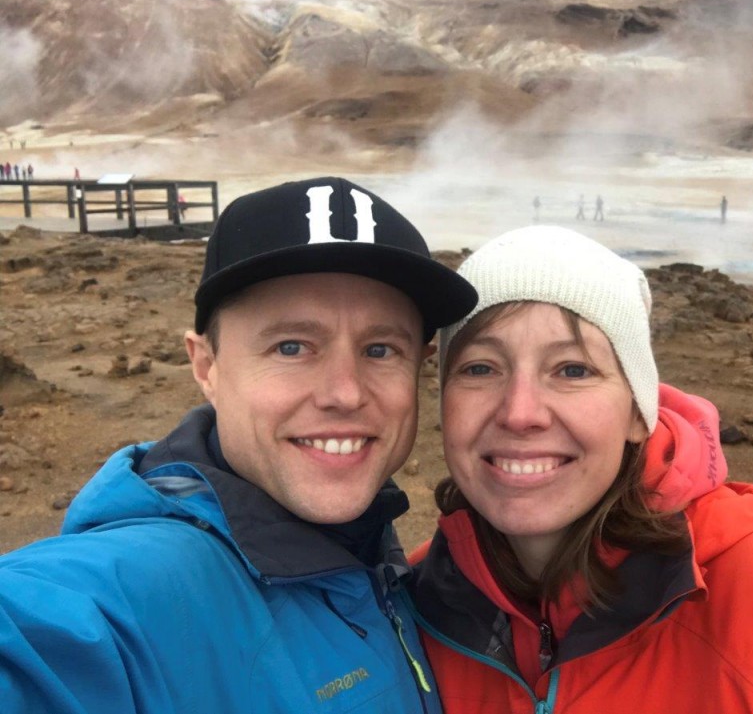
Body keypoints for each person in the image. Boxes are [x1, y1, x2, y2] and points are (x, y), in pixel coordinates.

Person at [0, 176, 478, 713]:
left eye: (381, 349)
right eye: (292, 346)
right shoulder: (141, 592)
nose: (345, 392)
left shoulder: (382, 557)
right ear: (206, 366)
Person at [408, 225, 753, 713]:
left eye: (573, 369)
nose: (520, 413)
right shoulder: (412, 605)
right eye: (480, 368)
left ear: (637, 412)